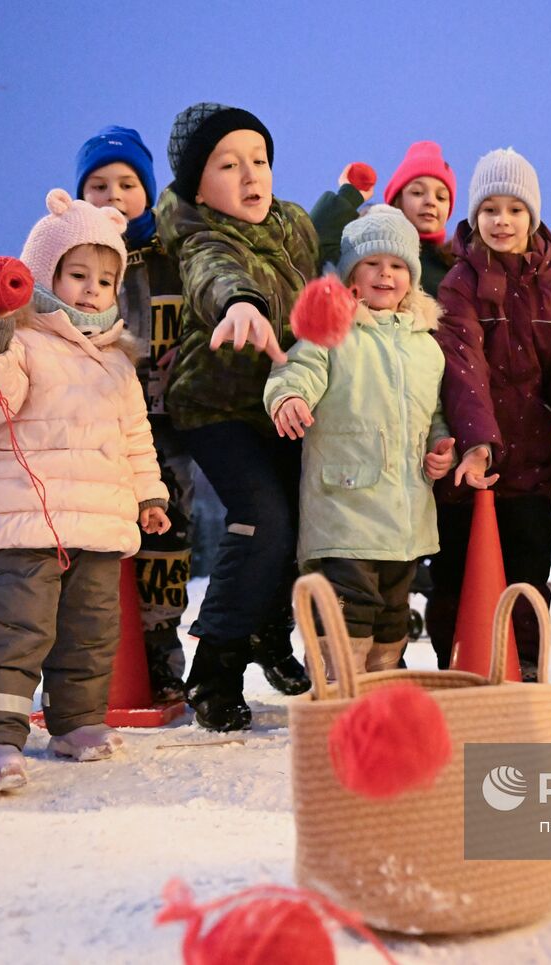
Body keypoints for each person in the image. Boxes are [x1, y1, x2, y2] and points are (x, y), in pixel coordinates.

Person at [0, 189, 170, 793]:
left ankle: (76, 722)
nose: (93, 289)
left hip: (98, 520)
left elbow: (134, 435)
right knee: (19, 626)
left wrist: (150, 493)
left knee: (91, 629)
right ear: (43, 274)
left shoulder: (117, 361)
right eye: (77, 274)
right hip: (24, 517)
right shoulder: (16, 340)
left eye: (106, 279)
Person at [154, 103, 317, 730]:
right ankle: (215, 669)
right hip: (216, 404)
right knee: (263, 517)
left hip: (282, 399)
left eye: (260, 160)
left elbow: (324, 256)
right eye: (229, 165)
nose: (251, 176)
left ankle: (270, 632)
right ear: (199, 185)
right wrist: (241, 302)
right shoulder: (200, 232)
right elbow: (210, 273)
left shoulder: (293, 225)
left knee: (304, 520)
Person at [430, 148, 551, 677]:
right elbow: (463, 365)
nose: (502, 221)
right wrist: (477, 441)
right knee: (459, 568)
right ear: (475, 218)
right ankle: (456, 662)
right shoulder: (459, 282)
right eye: (490, 210)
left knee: (527, 566)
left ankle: (524, 663)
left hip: (530, 459)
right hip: (470, 461)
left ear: (533, 215)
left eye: (514, 209)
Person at [264, 206, 454, 673]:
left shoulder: (426, 345)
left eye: (396, 265)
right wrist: (288, 398)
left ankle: (380, 681)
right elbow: (296, 370)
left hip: (404, 512)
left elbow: (433, 413)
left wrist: (440, 447)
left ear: (410, 276)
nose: (384, 274)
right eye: (372, 264)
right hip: (344, 506)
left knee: (392, 611)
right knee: (349, 604)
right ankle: (337, 686)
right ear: (351, 273)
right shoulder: (331, 332)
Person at [75, 125, 197, 703]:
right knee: (88, 545)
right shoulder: (67, 264)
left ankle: (160, 658)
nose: (113, 195)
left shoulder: (178, 258)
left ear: (148, 192)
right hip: (88, 432)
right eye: (98, 185)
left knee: (165, 544)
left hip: (166, 430)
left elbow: (207, 328)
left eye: (127, 183)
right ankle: (85, 668)